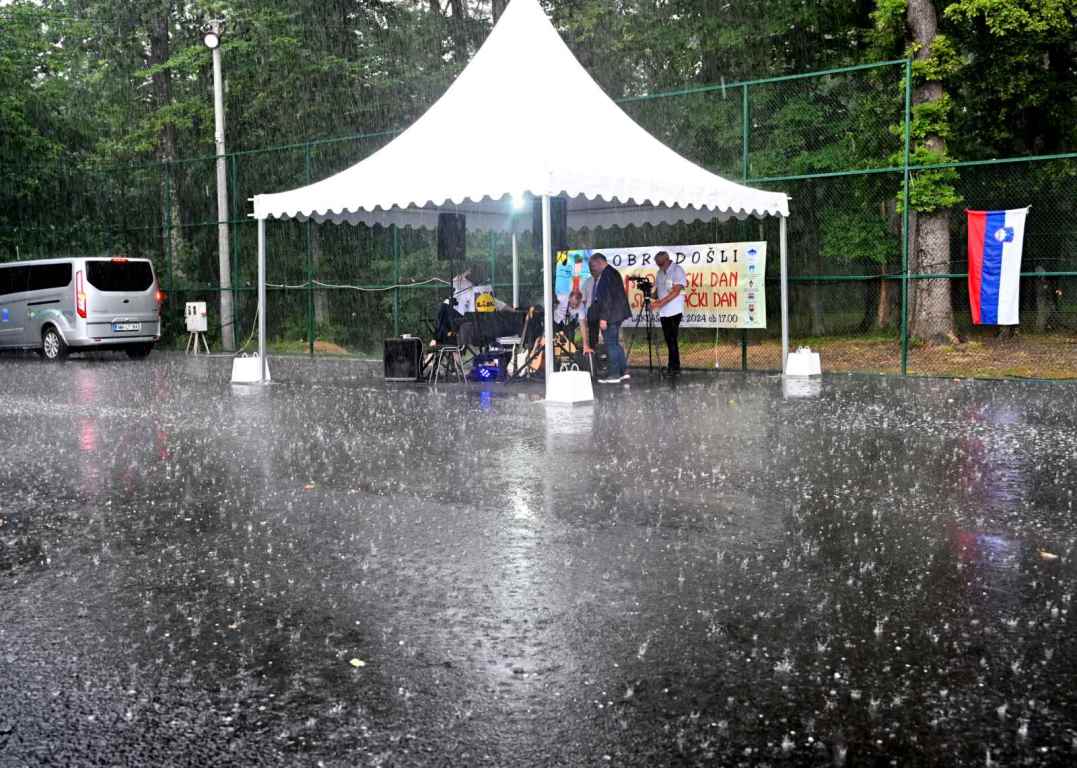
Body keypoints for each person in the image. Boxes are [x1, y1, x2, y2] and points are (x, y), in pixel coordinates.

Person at [584, 252, 631, 384]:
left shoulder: (607, 275)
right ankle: (623, 371)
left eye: (593, 266)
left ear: (600, 262)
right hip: (615, 314)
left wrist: (603, 318)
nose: (592, 269)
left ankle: (614, 374)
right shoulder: (612, 272)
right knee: (615, 344)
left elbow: (607, 299)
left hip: (611, 316)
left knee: (610, 344)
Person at [652, 251, 687, 374]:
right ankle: (672, 366)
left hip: (674, 310)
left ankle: (674, 367)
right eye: (657, 264)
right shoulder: (659, 273)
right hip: (664, 312)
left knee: (672, 339)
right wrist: (649, 292)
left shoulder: (677, 270)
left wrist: (660, 303)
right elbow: (657, 292)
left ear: (667, 260)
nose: (659, 266)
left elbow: (676, 291)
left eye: (661, 263)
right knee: (668, 339)